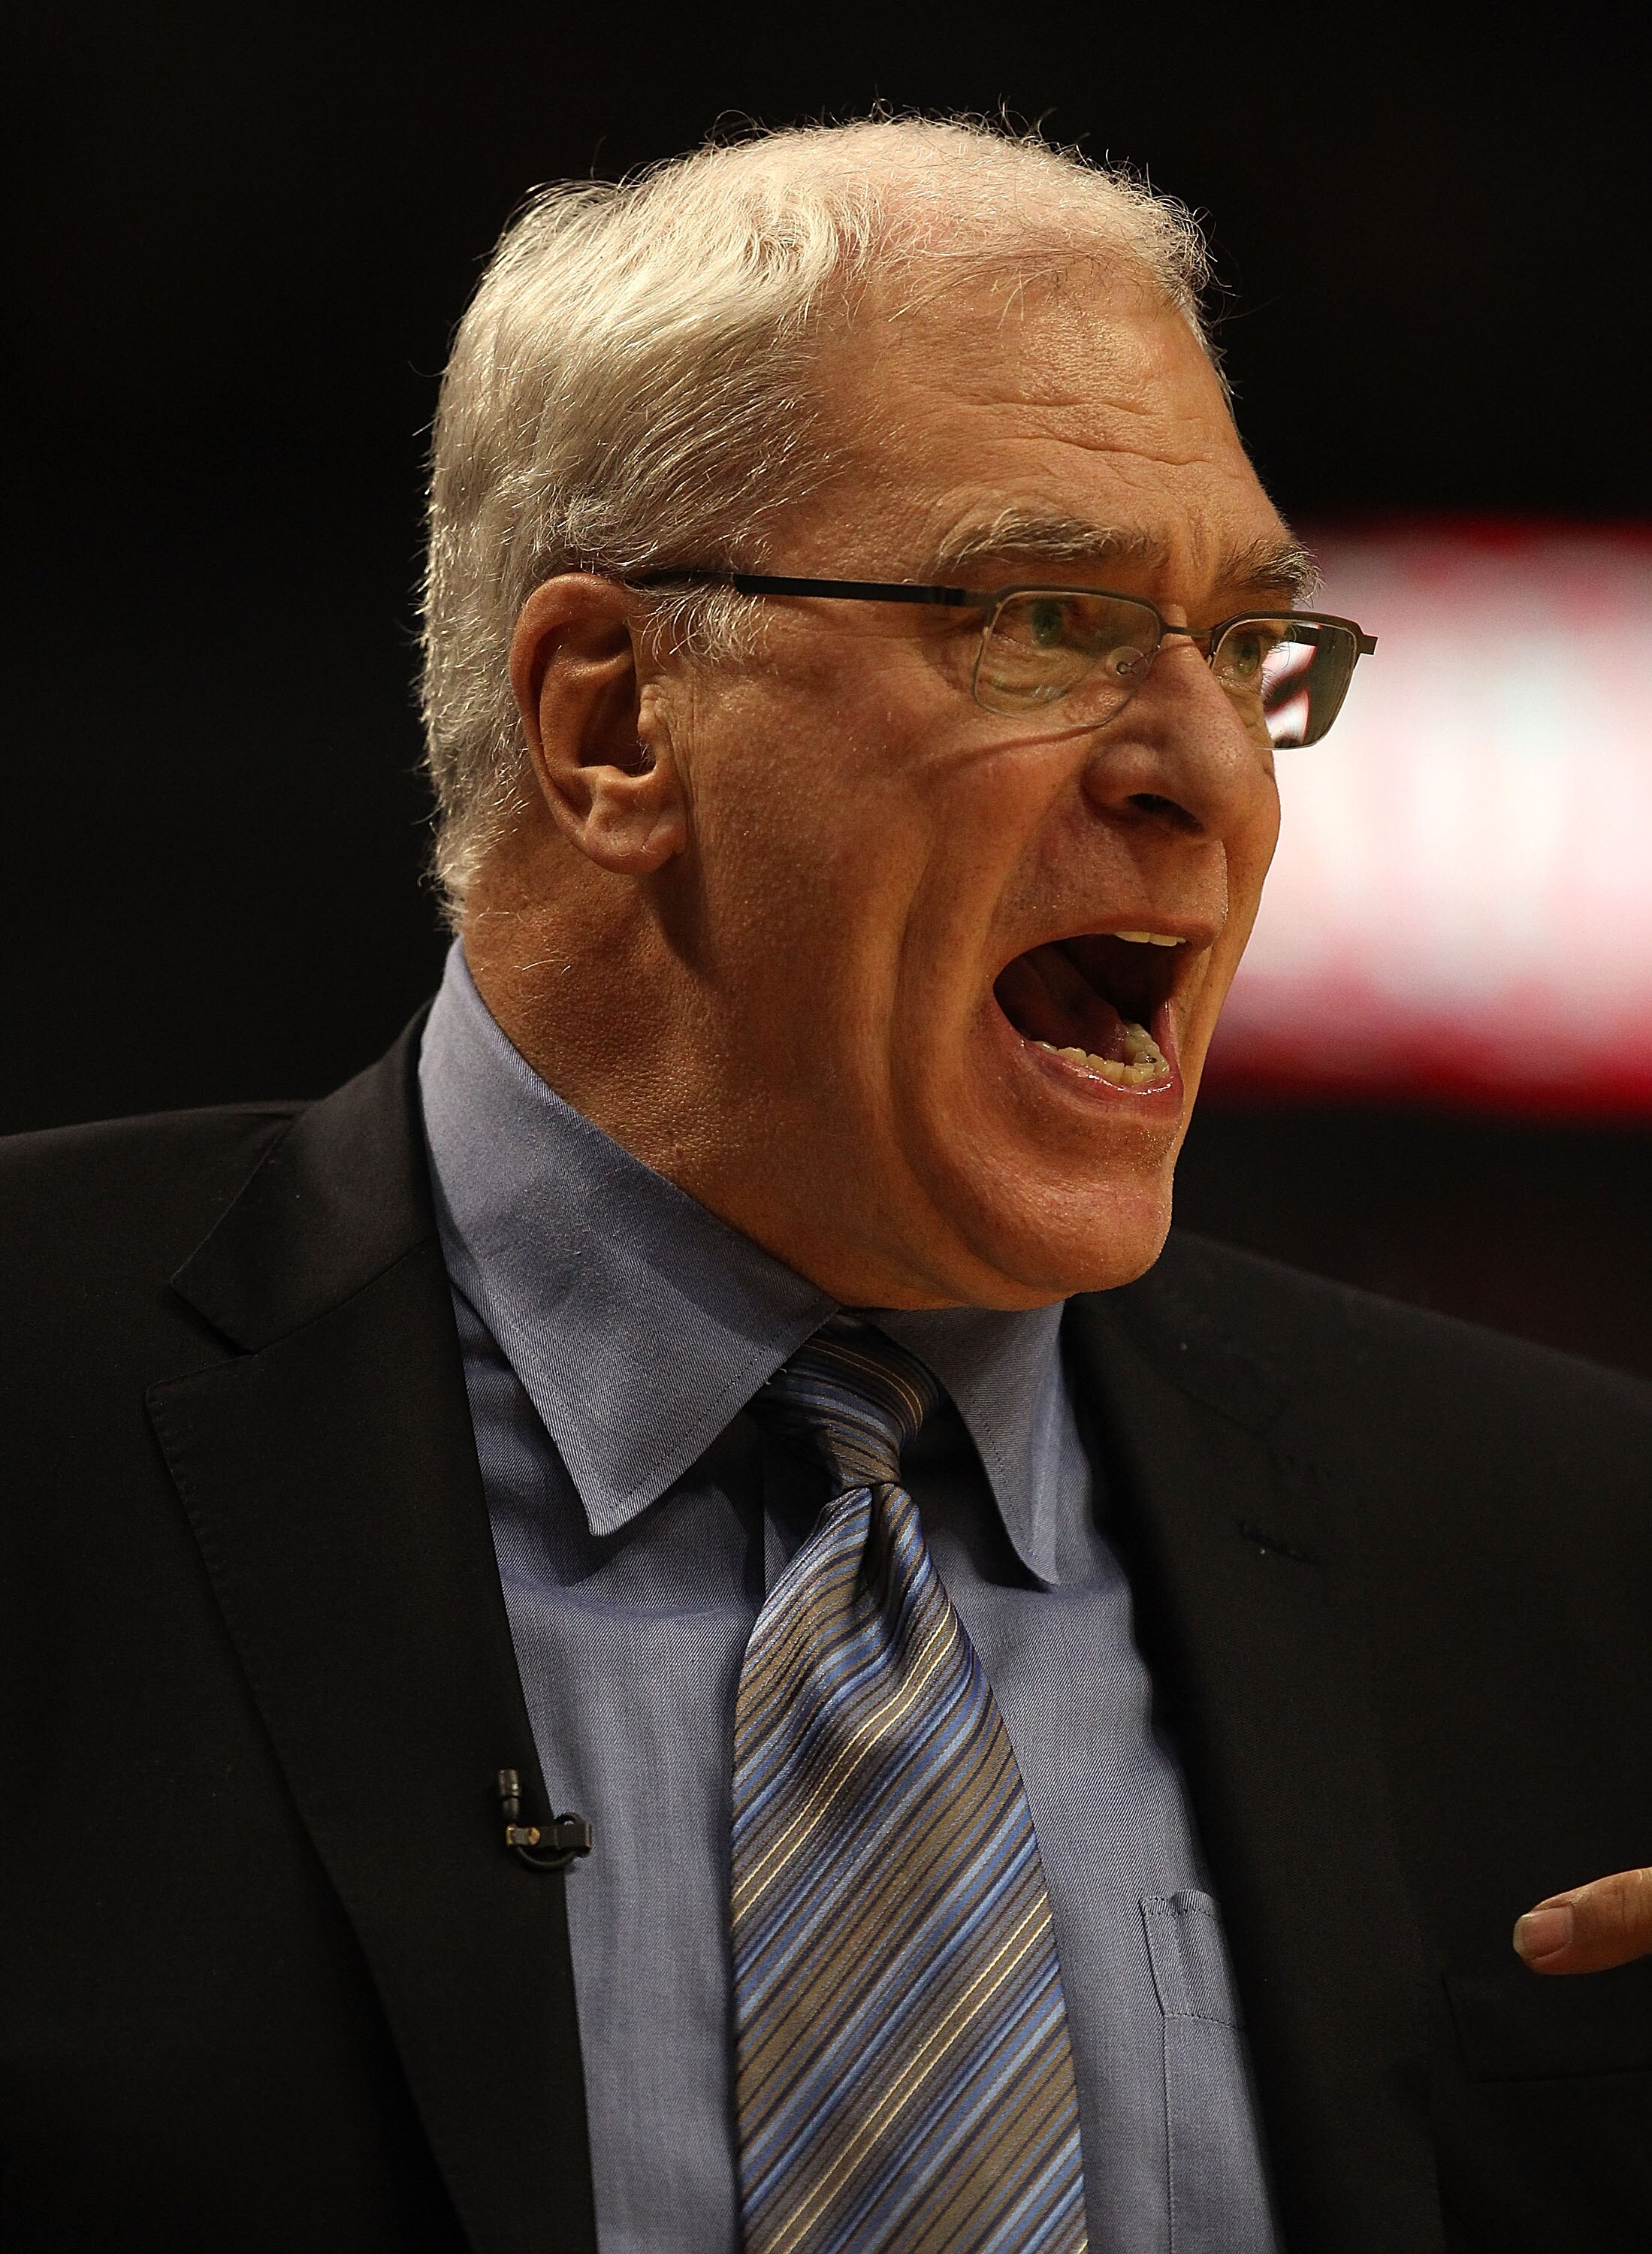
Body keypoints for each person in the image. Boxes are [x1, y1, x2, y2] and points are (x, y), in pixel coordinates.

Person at [4, 116, 1650, 2254]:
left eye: (1252, 651)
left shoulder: (1577, 1562)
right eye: (1051, 622)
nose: (1204, 772)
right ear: (612, 719)